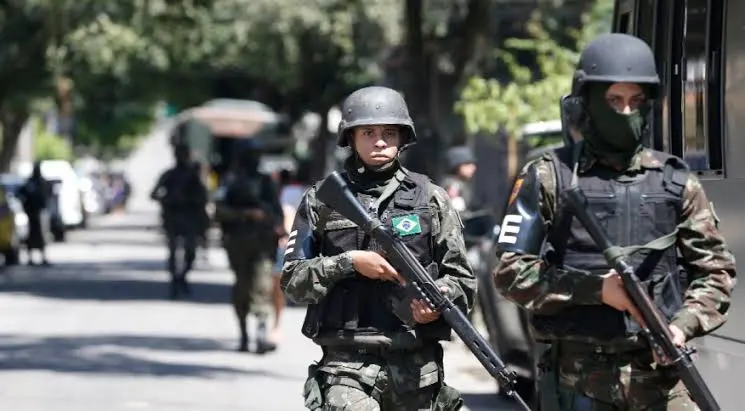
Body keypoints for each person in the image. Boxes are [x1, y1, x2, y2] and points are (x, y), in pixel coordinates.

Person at [493, 33, 736, 410]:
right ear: (587, 104)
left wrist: (681, 326)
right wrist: (596, 290)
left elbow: (716, 273)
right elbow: (509, 274)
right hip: (578, 383)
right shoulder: (549, 176)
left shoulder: (676, 181)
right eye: (614, 100)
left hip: (660, 381)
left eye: (636, 101)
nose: (626, 112)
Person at [281, 86, 477, 410]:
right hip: (346, 368)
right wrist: (348, 263)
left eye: (389, 133)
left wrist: (438, 299)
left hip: (417, 371)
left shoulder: (431, 199)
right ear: (351, 137)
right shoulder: (322, 200)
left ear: (403, 137)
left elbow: (463, 281)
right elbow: (292, 281)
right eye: (368, 132)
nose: (380, 141)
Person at [214, 139, 284, 354]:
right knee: (242, 289)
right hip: (238, 243)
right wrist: (244, 214)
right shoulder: (231, 182)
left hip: (263, 243)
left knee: (263, 286)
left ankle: (261, 334)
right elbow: (219, 211)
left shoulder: (266, 182)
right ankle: (244, 334)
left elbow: (277, 212)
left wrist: (276, 224)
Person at [150, 143, 209, 299]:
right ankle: (175, 281)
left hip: (190, 217)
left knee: (190, 252)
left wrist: (190, 201)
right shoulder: (169, 175)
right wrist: (168, 200)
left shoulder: (194, 176)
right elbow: (153, 194)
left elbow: (203, 197)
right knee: (173, 251)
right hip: (173, 216)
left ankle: (181, 277)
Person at [269, 168, 306, 345]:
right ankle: (274, 324)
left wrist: (287, 235)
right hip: (268, 242)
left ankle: (276, 325)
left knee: (276, 285)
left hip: (281, 241)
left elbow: (289, 213)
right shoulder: (270, 190)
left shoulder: (292, 192)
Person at [18, 161, 51, 266]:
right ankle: (30, 257)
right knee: (31, 235)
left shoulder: (41, 182)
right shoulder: (30, 182)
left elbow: (47, 193)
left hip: (40, 212)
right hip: (31, 213)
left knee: (42, 235)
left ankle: (43, 257)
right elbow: (21, 193)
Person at [440, 146, 478, 214]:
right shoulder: (454, 185)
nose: (473, 167)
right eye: (467, 164)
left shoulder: (460, 182)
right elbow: (455, 212)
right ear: (457, 166)